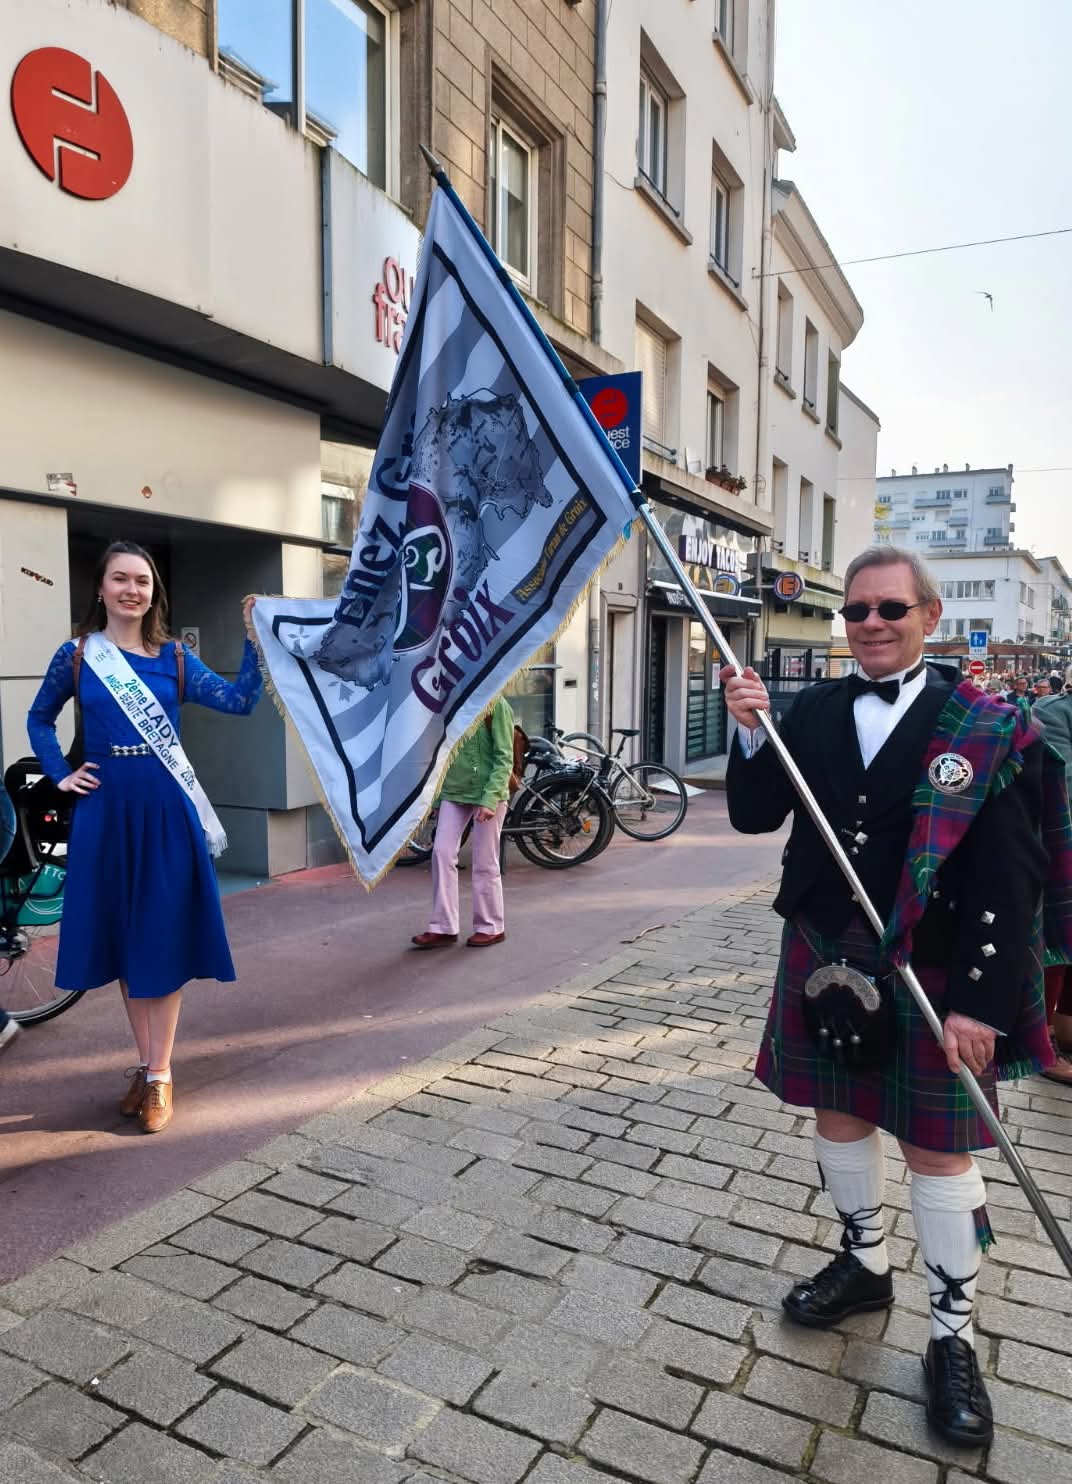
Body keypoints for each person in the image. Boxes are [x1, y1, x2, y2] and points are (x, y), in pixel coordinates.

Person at [722, 545, 1059, 1449]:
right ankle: (865, 1264)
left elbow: (1012, 873)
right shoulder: (812, 709)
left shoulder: (986, 724)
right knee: (837, 1115)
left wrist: (981, 1002)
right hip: (823, 944)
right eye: (857, 610)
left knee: (938, 1152)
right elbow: (754, 815)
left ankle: (952, 1337)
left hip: (934, 964)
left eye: (890, 609)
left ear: (929, 617)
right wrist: (749, 732)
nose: (870, 623)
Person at [26, 541, 262, 1132]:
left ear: (154, 593)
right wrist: (59, 773)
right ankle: (147, 1066)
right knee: (127, 941)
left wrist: (256, 642)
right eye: (121, 579)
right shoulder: (78, 655)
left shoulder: (174, 657)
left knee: (160, 936)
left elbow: (239, 701)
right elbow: (38, 717)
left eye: (143, 581)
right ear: (101, 588)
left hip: (163, 812)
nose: (132, 590)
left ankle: (160, 1075)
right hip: (105, 813)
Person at [411, 697, 514, 950]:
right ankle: (443, 927)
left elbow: (504, 757)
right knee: (441, 853)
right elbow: (441, 754)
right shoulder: (449, 704)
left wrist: (490, 799)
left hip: (488, 792)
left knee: (485, 860)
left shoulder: (496, 704)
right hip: (453, 791)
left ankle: (491, 926)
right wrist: (437, 799)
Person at [1029, 668, 1072, 1084]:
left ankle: (1063, 1027)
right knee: (1056, 945)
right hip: (1059, 849)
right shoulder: (1053, 712)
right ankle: (1041, 1041)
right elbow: (1063, 783)